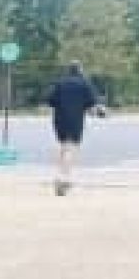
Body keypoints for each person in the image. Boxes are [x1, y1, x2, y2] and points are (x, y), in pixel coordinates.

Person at [45, 61, 100, 196]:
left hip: (59, 119)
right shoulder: (85, 83)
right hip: (75, 119)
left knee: (63, 146)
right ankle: (64, 179)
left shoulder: (60, 83)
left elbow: (50, 101)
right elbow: (92, 105)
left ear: (68, 70)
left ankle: (59, 174)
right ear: (80, 69)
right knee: (73, 147)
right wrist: (99, 113)